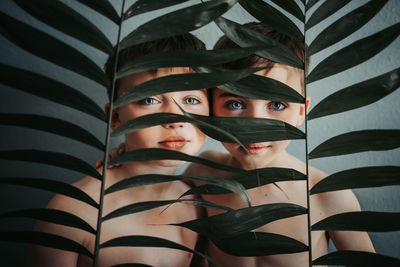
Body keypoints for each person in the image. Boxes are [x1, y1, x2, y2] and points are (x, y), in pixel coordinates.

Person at [103, 23, 376, 267]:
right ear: (210, 107)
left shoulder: (325, 194)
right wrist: (125, 156)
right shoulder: (202, 178)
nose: (254, 125)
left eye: (277, 104)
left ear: (302, 112)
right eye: (235, 103)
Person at [28, 34, 209, 267]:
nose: (174, 118)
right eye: (150, 100)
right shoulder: (74, 211)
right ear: (115, 117)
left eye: (191, 99)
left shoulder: (200, 203)